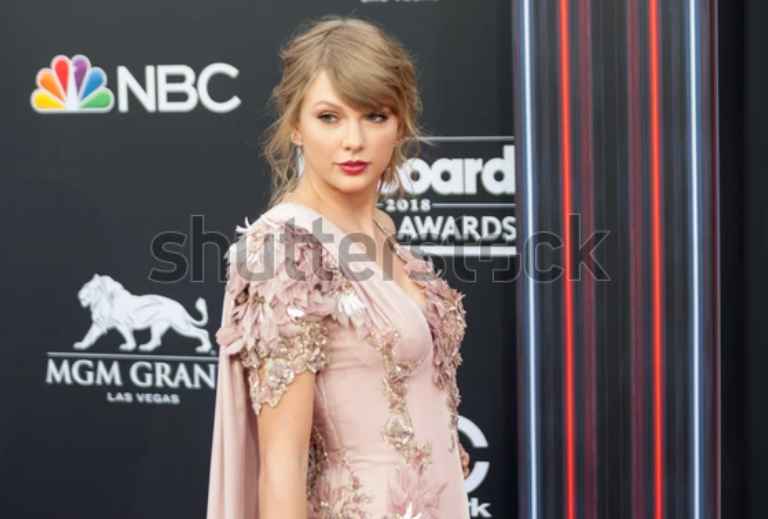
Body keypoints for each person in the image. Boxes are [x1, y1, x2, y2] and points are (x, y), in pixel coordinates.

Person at [206, 15, 471, 519]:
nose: (354, 140)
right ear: (295, 126)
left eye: (374, 116)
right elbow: (280, 466)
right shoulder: (287, 252)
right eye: (329, 117)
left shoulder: (383, 231)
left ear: (400, 124)